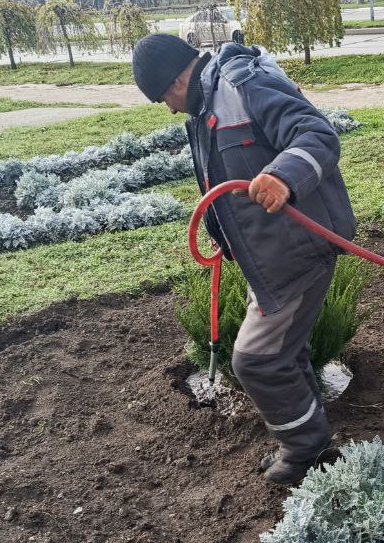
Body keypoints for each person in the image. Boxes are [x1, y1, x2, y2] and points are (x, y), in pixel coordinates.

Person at [132, 33, 357, 485]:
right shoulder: (206, 103)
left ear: (179, 77)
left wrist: (282, 175)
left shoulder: (243, 86)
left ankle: (304, 452)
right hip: (267, 250)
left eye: (164, 97)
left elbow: (318, 134)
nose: (171, 109)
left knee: (256, 359)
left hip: (297, 247)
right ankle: (311, 447)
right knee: (282, 353)